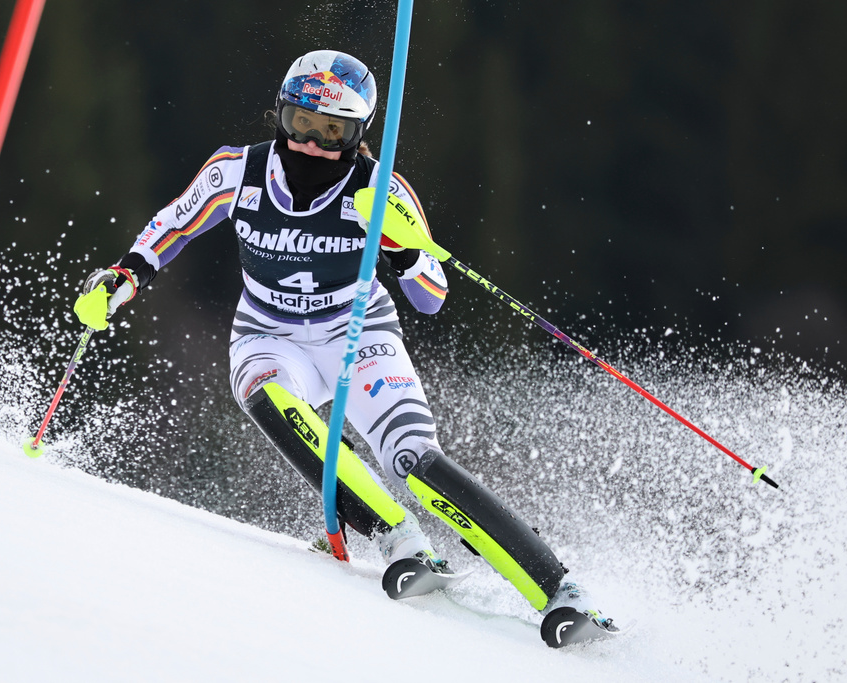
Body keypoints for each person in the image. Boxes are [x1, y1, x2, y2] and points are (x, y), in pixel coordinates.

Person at [74, 49, 611, 627]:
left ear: (357, 134)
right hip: (269, 331)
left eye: (331, 131)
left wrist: (402, 248)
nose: (310, 143)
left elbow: (433, 296)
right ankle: (398, 539)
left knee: (412, 459)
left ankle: (561, 592)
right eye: (300, 123)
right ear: (280, 114)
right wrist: (122, 278)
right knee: (265, 394)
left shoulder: (381, 187)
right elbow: (173, 222)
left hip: (357, 330)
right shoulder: (239, 171)